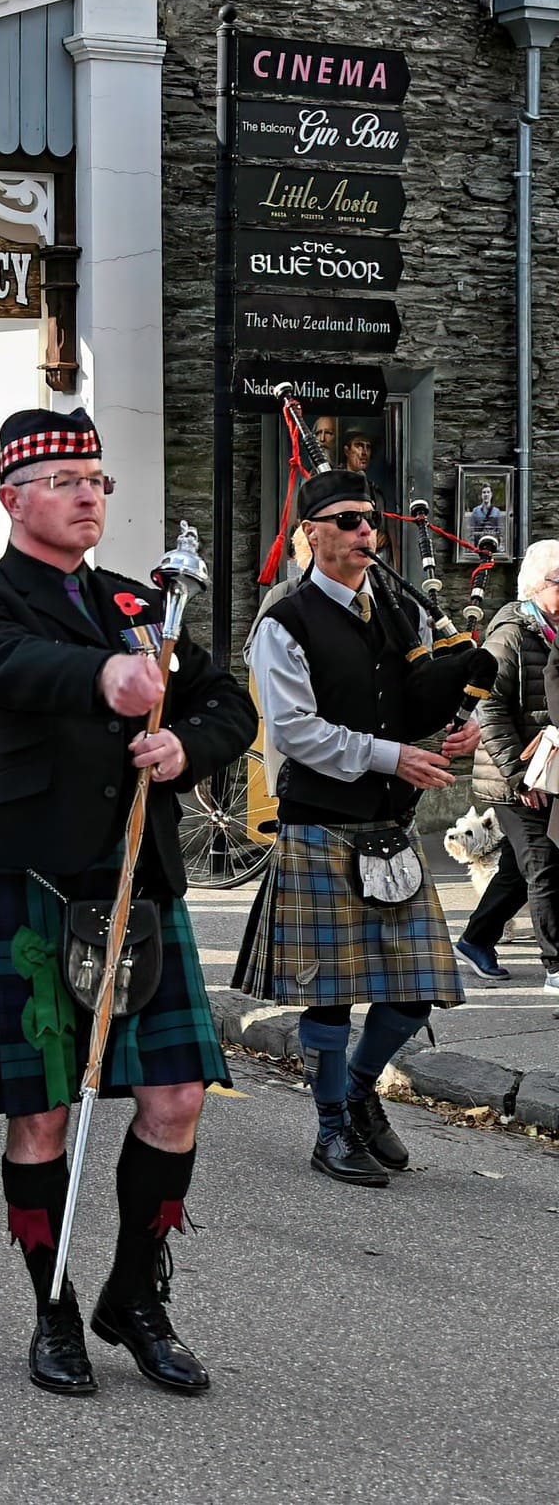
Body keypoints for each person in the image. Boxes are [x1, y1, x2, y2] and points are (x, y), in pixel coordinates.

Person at [0, 408, 256, 1398]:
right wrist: (109, 674)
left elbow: (225, 702)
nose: (89, 494)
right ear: (14, 496)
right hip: (32, 876)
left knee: (178, 1096)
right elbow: (1, 668)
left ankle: (135, 1294)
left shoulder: (142, 599)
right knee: (41, 1117)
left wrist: (188, 745)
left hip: (138, 880)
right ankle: (51, 1302)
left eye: (99, 479)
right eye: (65, 478)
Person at [239, 467, 482, 1190]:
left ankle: (357, 1089)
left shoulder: (393, 613)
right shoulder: (284, 621)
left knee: (413, 989)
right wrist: (393, 756)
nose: (362, 532)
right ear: (310, 533)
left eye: (369, 520)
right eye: (345, 521)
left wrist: (447, 734)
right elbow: (294, 731)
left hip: (388, 824)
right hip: (322, 824)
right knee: (331, 997)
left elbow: (406, 703)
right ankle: (330, 1132)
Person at [451, 541, 559, 990]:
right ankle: (557, 966)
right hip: (514, 778)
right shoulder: (511, 633)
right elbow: (490, 710)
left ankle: (476, 939)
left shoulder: (551, 629)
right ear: (539, 584)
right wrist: (518, 776)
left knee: (518, 868)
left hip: (547, 771)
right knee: (546, 865)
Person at [467, 482, 509, 553]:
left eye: (488, 492)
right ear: (481, 495)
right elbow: (471, 532)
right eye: (484, 492)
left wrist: (501, 547)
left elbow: (500, 532)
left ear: (491, 494)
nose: (486, 494)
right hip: (479, 545)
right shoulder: (475, 511)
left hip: (492, 544)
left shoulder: (496, 512)